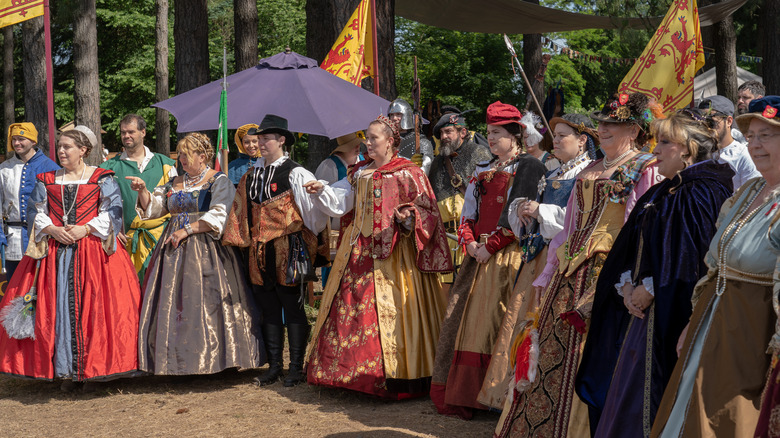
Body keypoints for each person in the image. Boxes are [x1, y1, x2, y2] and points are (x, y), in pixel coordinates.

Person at [495, 92, 661, 438]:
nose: (604, 129)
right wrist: (546, 275)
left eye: (612, 125)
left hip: (609, 272)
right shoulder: (590, 168)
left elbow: (640, 230)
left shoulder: (644, 168)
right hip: (569, 270)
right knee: (553, 347)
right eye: (602, 124)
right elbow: (568, 229)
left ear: (633, 129)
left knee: (593, 353)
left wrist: (633, 278)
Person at [575, 109, 733, 437]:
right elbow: (634, 244)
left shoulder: (702, 191)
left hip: (668, 316)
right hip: (641, 313)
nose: (656, 150)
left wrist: (649, 287)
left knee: (653, 401)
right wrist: (628, 283)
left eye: (665, 142)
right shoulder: (667, 190)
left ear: (687, 149)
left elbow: (696, 258)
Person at [650, 96, 780, 438]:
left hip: (754, 333)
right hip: (712, 323)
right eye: (751, 136)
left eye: (766, 136)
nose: (755, 145)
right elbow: (714, 267)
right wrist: (692, 323)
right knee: (687, 412)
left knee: (730, 418)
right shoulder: (747, 190)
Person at [304, 115, 453, 399]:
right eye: (367, 138)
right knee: (351, 305)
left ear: (391, 140)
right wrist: (322, 189)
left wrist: (408, 218)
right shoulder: (359, 172)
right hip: (358, 249)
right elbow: (342, 202)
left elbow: (428, 210)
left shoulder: (408, 172)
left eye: (374, 138)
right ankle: (348, 375)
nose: (368, 143)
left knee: (390, 311)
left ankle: (396, 376)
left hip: (396, 253)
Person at [0, 127, 141, 391]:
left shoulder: (102, 178)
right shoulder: (47, 179)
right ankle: (63, 370)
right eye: (60, 147)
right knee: (56, 308)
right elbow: (34, 210)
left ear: (83, 150)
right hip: (54, 252)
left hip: (93, 253)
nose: (62, 152)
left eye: (67, 147)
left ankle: (91, 371)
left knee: (94, 308)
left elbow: (113, 212)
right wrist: (52, 229)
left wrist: (85, 229)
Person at [431, 101, 546, 418]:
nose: (491, 139)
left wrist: (490, 246)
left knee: (496, 322)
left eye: (497, 133)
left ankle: (494, 395)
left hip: (508, 259)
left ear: (515, 136)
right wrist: (468, 242)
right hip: (476, 257)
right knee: (462, 321)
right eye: (490, 133)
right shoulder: (482, 170)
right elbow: (468, 215)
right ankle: (464, 394)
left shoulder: (529, 168)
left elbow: (519, 216)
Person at [477, 113, 598, 410]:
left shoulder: (586, 175)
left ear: (582, 140)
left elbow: (579, 223)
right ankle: (514, 398)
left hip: (564, 261)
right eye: (554, 135)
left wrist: (540, 211)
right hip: (537, 256)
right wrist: (523, 210)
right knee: (522, 322)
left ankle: (549, 399)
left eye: (562, 135)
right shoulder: (557, 171)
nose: (554, 140)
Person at [130, 132, 265, 375]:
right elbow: (155, 208)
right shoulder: (174, 181)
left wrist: (188, 230)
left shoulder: (218, 181)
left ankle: (220, 360)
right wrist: (142, 190)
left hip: (207, 248)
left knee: (209, 299)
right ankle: (178, 362)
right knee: (174, 301)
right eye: (180, 154)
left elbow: (220, 214)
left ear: (202, 157)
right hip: (172, 250)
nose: (181, 159)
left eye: (186, 154)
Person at [224, 114, 329, 387]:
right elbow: (240, 212)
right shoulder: (251, 175)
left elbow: (313, 216)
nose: (260, 143)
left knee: (292, 308)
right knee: (268, 309)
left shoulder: (296, 172)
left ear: (281, 140)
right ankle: (275, 367)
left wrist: (303, 245)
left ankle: (295, 368)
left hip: (287, 252)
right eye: (258, 139)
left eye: (266, 138)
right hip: (258, 254)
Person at [100, 114, 177, 283]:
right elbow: (100, 206)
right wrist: (111, 228)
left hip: (160, 241)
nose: (126, 136)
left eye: (131, 132)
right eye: (123, 132)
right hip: (123, 242)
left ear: (143, 132)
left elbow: (174, 205)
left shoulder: (165, 164)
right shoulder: (108, 168)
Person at [428, 112, 493, 285]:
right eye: (441, 134)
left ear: (462, 132)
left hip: (472, 237)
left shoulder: (479, 154)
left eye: (448, 132)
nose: (444, 137)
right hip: (445, 239)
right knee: (444, 294)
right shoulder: (436, 164)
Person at [0, 123, 59, 279]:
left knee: (38, 289)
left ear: (33, 141)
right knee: (13, 290)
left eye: (21, 139)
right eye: (14, 139)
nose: (17, 143)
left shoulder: (50, 167)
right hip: (11, 239)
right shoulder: (4, 169)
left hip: (42, 239)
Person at [314, 132, 364, 288]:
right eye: (352, 146)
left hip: (361, 223)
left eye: (357, 144)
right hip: (336, 226)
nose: (357, 147)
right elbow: (322, 200)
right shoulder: (329, 165)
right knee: (335, 266)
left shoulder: (363, 161)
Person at [699, 95, 760, 190]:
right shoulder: (697, 153)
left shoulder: (743, 156)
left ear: (729, 121)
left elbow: (750, 198)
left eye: (711, 122)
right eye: (702, 123)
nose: (707, 128)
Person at [388, 98, 434, 174]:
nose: (394, 118)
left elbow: (424, 172)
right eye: (391, 115)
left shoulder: (421, 142)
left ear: (406, 115)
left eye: (398, 114)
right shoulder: (387, 140)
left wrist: (413, 167)